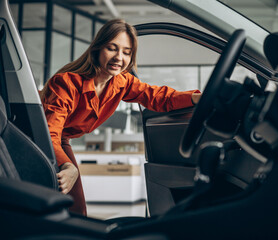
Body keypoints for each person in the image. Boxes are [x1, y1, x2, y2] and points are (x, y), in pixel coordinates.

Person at [39, 19, 201, 216]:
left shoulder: (121, 82)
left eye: (126, 52)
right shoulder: (66, 82)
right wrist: (67, 165)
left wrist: (197, 98)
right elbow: (49, 132)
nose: (119, 57)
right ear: (97, 49)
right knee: (66, 203)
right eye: (112, 48)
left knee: (76, 206)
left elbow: (157, 97)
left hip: (59, 139)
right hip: (34, 134)